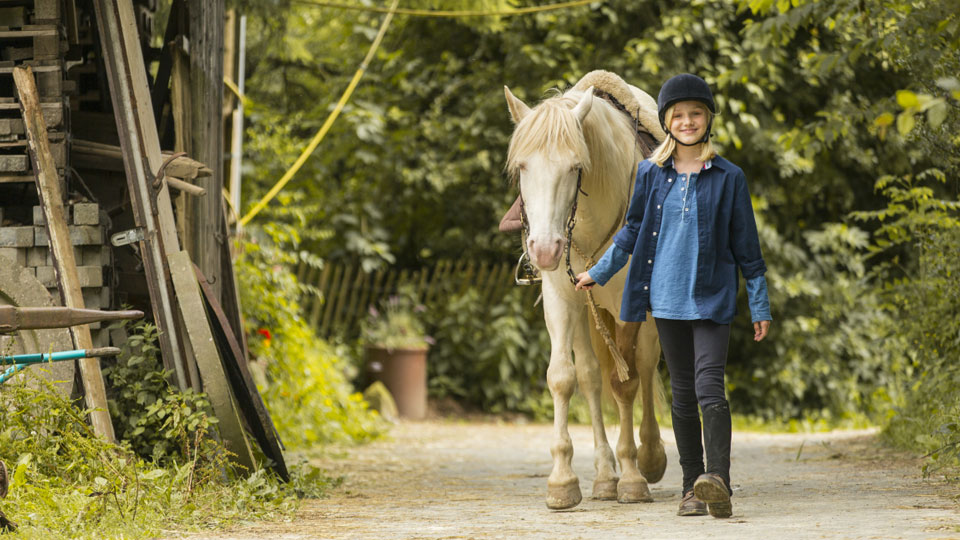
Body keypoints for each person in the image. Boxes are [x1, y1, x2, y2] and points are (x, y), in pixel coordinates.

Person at [574, 73, 771, 519]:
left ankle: (717, 481)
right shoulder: (650, 174)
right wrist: (597, 271)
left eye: (695, 113)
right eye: (678, 115)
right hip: (664, 301)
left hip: (712, 300)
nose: (687, 121)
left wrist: (759, 305)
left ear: (708, 119)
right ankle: (692, 488)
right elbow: (631, 233)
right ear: (666, 121)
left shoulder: (729, 177)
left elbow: (749, 251)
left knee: (709, 389)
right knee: (681, 396)